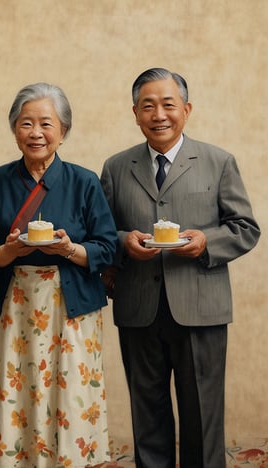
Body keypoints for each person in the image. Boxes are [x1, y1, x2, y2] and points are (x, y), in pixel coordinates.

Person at [100, 67, 260, 467]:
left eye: (168, 104)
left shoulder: (218, 162)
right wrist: (124, 242)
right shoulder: (116, 167)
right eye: (147, 106)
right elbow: (102, 233)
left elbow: (245, 228)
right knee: (147, 416)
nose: (159, 115)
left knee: (203, 416)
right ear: (134, 113)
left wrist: (207, 242)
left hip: (201, 307)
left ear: (186, 109)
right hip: (139, 307)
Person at [0, 82, 117, 467]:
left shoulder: (84, 181)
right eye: (26, 123)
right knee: (15, 394)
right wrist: (7, 251)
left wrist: (69, 249)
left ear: (63, 131)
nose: (35, 133)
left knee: (69, 395)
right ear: (14, 129)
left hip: (71, 306)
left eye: (46, 124)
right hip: (13, 306)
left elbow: (107, 247)